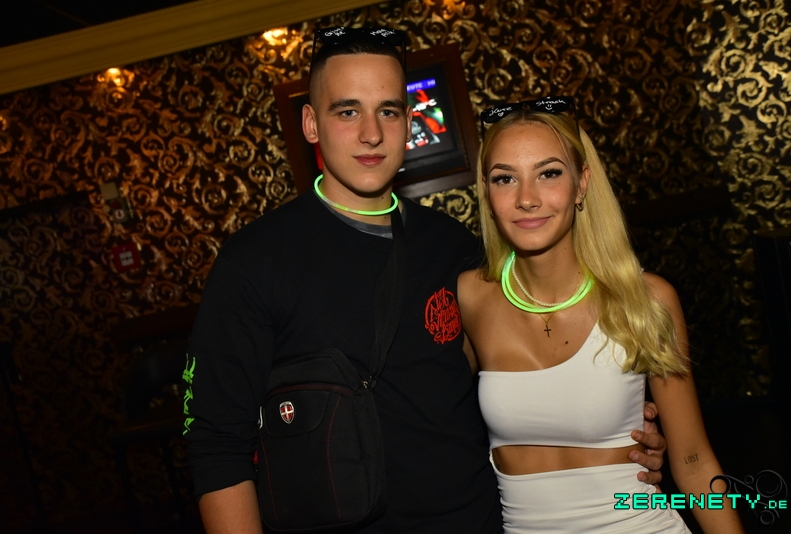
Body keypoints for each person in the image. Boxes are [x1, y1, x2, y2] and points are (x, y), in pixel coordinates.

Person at [184, 28, 667, 533]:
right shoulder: (254, 261)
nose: (371, 133)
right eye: (347, 111)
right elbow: (217, 445)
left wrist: (617, 443)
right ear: (311, 123)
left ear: (410, 121)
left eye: (388, 111)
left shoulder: (453, 246)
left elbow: (523, 380)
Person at [458, 97, 745, 533]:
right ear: (486, 191)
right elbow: (429, 423)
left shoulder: (645, 300)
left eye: (549, 173)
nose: (526, 198)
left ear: (582, 184)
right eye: (505, 178)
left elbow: (693, 461)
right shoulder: (469, 298)